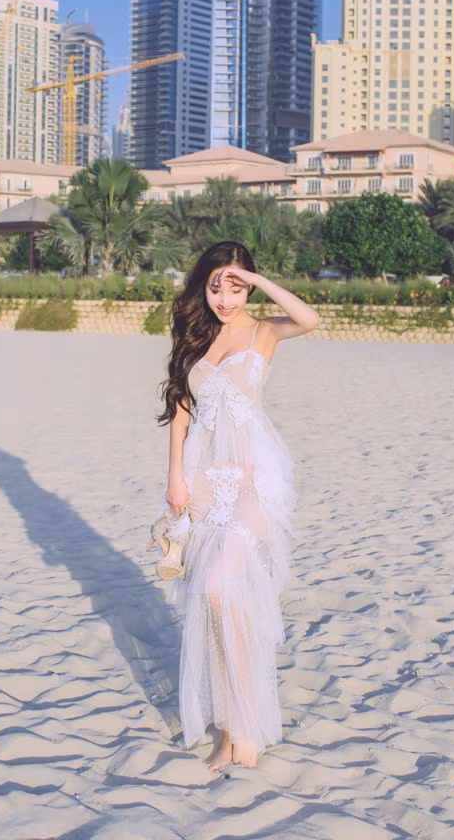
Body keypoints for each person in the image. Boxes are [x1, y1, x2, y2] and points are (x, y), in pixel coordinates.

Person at [155, 241, 319, 771]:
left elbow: (310, 318)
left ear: (249, 284)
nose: (225, 298)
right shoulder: (194, 335)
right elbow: (181, 410)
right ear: (202, 286)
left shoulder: (265, 330)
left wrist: (259, 278)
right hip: (205, 483)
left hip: (255, 481)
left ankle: (246, 728)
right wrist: (175, 475)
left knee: (223, 589)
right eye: (215, 286)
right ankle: (231, 730)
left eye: (236, 286)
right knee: (212, 602)